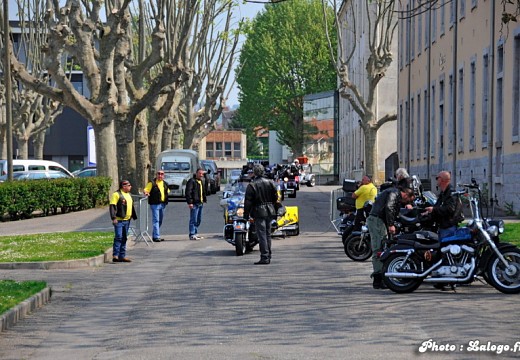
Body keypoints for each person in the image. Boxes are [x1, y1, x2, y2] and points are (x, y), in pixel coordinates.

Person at [366, 185, 416, 289]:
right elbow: (389, 207)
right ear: (406, 194)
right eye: (408, 200)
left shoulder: (393, 192)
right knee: (379, 249)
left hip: (378, 220)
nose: (406, 202)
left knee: (382, 247)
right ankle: (378, 279)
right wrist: (390, 224)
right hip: (377, 221)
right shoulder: (394, 193)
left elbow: (392, 209)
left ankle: (380, 278)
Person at [244, 164, 279, 265]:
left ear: (254, 172)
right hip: (269, 210)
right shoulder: (270, 182)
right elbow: (275, 197)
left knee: (262, 235)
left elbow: (248, 201)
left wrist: (246, 215)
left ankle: (265, 256)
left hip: (259, 211)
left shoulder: (252, 185)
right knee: (267, 234)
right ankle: (268, 254)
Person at [422, 171, 464, 239]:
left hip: (449, 227)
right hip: (444, 226)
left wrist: (433, 209)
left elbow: (450, 209)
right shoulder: (443, 193)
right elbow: (437, 206)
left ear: (441, 179)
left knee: (445, 247)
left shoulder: (451, 192)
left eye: (437, 178)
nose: (436, 180)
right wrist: (429, 212)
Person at [109, 180, 137, 263]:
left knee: (124, 238)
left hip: (127, 220)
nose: (130, 187)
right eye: (129, 185)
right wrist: (114, 217)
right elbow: (112, 206)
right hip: (119, 220)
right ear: (124, 186)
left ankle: (122, 256)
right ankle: (115, 255)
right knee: (119, 237)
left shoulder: (128, 194)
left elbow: (130, 206)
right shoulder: (116, 194)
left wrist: (132, 215)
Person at [143, 170, 169, 242]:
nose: (160, 175)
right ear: (156, 175)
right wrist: (146, 193)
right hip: (155, 204)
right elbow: (146, 190)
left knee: (160, 220)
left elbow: (167, 192)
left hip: (162, 204)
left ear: (164, 175)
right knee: (156, 220)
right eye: (159, 174)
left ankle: (155, 235)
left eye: (162, 174)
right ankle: (157, 236)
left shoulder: (165, 184)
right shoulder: (152, 183)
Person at [186, 167, 207, 240]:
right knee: (193, 219)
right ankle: (192, 234)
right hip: (194, 203)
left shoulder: (201, 181)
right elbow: (188, 192)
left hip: (200, 203)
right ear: (196, 173)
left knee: (198, 219)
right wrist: (190, 202)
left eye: (202, 174)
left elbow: (202, 191)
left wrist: (204, 199)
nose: (201, 175)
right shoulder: (192, 181)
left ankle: (195, 232)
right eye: (200, 173)